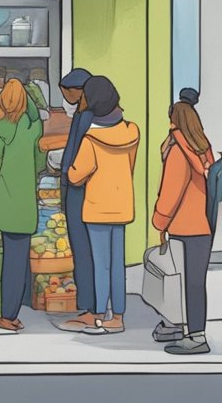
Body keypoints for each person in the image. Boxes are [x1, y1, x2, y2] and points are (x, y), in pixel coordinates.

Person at [66, 75, 140, 336]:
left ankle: (98, 315)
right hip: (122, 206)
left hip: (97, 208)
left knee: (101, 264)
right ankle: (118, 316)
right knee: (117, 264)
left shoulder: (91, 141)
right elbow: (128, 166)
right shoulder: (132, 131)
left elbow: (75, 175)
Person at [150, 88, 213, 355]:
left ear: (174, 120)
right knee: (194, 281)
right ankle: (184, 327)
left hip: (182, 226)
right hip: (204, 226)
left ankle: (194, 335)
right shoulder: (202, 148)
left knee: (178, 279)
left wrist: (159, 222)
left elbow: (170, 194)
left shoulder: (178, 150)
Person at [0, 80, 44, 335]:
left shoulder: (0, 129)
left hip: (4, 203)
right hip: (25, 205)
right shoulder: (33, 128)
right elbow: (39, 162)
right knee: (19, 258)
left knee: (10, 262)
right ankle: (17, 309)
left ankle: (7, 317)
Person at [55, 68, 97, 331]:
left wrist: (65, 179)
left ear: (78, 91)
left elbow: (72, 157)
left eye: (67, 92)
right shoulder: (96, 116)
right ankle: (93, 303)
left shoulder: (84, 118)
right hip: (88, 191)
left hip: (77, 191)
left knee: (83, 250)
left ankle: (89, 306)